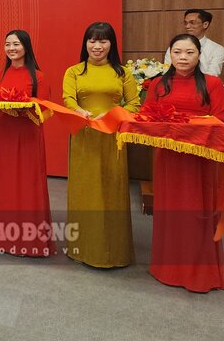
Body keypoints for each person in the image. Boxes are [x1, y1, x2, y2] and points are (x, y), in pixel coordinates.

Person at [144, 34, 224, 292]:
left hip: (199, 158)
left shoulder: (213, 84)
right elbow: (147, 115)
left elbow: (219, 121)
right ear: (170, 54)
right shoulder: (159, 83)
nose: (183, 57)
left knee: (197, 210)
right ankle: (166, 268)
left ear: (199, 55)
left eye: (189, 52)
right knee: (169, 209)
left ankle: (198, 272)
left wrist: (185, 129)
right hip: (168, 156)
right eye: (177, 52)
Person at [62, 21, 140, 268]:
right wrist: (82, 112)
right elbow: (67, 99)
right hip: (84, 137)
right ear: (85, 43)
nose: (97, 46)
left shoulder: (122, 73)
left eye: (103, 40)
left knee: (112, 192)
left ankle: (114, 251)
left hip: (113, 138)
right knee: (85, 192)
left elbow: (134, 104)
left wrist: (111, 117)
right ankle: (82, 247)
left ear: (111, 44)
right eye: (92, 40)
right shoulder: (74, 71)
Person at [0, 30, 55, 256]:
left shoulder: (39, 76)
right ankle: (4, 240)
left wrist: (23, 109)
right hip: (3, 133)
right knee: (4, 183)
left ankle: (32, 242)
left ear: (26, 46)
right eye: (7, 44)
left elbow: (44, 109)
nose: (11, 48)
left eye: (16, 44)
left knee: (29, 183)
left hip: (28, 134)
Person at [163, 9, 224, 76]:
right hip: (176, 84)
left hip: (203, 85)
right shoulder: (175, 47)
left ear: (205, 24)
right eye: (185, 23)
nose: (187, 26)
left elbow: (213, 74)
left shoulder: (217, 49)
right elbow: (166, 72)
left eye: (192, 23)